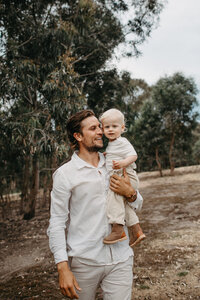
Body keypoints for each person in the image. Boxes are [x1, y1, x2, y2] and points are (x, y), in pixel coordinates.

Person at [47, 110, 143, 300]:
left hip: (121, 258)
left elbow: (137, 204)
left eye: (99, 126)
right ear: (78, 136)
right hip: (85, 262)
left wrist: (130, 193)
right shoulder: (65, 174)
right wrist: (62, 266)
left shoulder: (114, 163)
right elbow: (57, 223)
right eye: (93, 128)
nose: (100, 131)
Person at [99, 108, 146, 247]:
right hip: (120, 175)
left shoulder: (122, 141)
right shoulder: (112, 144)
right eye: (107, 127)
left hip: (125, 175)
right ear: (102, 129)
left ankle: (118, 228)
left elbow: (134, 155)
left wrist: (124, 163)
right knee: (123, 205)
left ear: (122, 127)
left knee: (113, 198)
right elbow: (115, 153)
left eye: (114, 126)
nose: (111, 129)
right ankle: (137, 231)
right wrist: (108, 155)